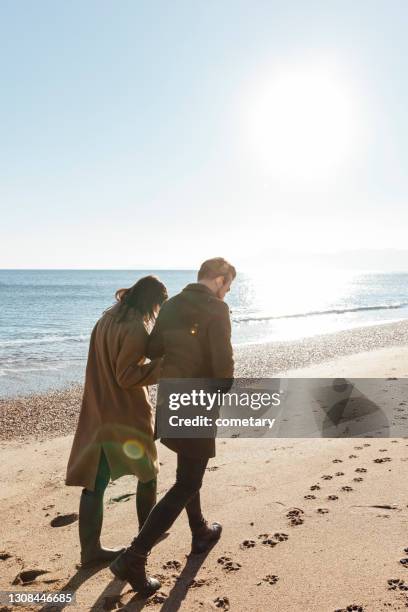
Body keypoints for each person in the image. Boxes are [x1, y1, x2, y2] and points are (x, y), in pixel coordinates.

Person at [110, 257, 235, 595]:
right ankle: (134, 556)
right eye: (228, 287)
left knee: (187, 473)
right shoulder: (217, 309)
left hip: (170, 401)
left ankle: (199, 531)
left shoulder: (173, 303)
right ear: (220, 280)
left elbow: (151, 350)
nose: (227, 294)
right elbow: (223, 366)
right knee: (188, 481)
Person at [65, 275, 168, 566]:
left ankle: (90, 552)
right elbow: (126, 376)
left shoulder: (107, 318)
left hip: (98, 410)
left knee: (94, 484)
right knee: (148, 475)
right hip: (125, 414)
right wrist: (162, 367)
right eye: (159, 305)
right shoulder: (135, 327)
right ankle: (143, 540)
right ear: (151, 302)